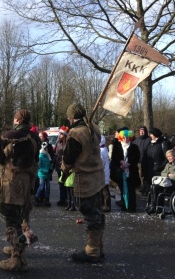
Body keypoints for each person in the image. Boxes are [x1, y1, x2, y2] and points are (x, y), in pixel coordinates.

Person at [0, 109, 39, 272]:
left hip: (11, 183)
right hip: (27, 182)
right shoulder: (34, 137)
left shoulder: (8, 136)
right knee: (21, 215)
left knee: (10, 217)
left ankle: (18, 258)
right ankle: (17, 247)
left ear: (17, 120)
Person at [61, 103, 105, 263]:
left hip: (85, 178)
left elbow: (69, 157)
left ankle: (92, 250)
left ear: (71, 117)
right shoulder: (93, 127)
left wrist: (63, 168)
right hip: (98, 175)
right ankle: (99, 247)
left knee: (90, 213)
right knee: (97, 212)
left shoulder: (76, 133)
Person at [146, 149, 175, 215]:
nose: (168, 158)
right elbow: (162, 173)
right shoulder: (168, 164)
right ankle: (153, 205)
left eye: (170, 156)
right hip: (167, 183)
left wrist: (168, 174)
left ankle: (156, 206)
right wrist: (168, 174)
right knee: (153, 186)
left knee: (156, 188)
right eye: (167, 157)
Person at [110, 130, 140, 212]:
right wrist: (120, 162)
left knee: (131, 189)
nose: (126, 139)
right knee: (122, 189)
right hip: (120, 170)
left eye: (127, 137)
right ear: (121, 138)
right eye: (124, 137)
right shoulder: (117, 146)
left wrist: (129, 163)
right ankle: (124, 205)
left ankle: (131, 206)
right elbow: (114, 158)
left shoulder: (134, 147)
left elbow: (136, 158)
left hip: (131, 171)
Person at [141, 128, 170, 196]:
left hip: (158, 171)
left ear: (155, 135)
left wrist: (160, 167)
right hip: (149, 170)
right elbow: (146, 156)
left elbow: (167, 158)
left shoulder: (163, 143)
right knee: (150, 190)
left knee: (157, 190)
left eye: (151, 134)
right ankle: (151, 204)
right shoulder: (150, 144)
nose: (149, 135)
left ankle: (158, 205)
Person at [133, 126, 151, 191]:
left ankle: (146, 187)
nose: (142, 132)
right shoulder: (136, 141)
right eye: (140, 131)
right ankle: (140, 186)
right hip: (138, 161)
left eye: (143, 131)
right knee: (139, 174)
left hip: (147, 160)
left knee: (145, 174)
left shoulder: (149, 140)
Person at [35, 142, 52, 207]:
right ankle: (37, 197)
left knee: (47, 187)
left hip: (47, 174)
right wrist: (47, 170)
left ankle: (47, 199)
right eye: (46, 148)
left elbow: (49, 164)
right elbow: (39, 167)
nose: (47, 149)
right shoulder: (40, 156)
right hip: (42, 174)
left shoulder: (47, 156)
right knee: (41, 187)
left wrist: (51, 168)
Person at [54, 126, 68, 206]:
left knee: (66, 182)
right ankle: (62, 198)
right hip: (59, 165)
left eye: (61, 133)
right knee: (61, 182)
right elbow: (56, 153)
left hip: (65, 165)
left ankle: (67, 198)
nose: (60, 135)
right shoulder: (58, 143)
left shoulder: (67, 143)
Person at [100, 135, 111, 212]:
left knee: (104, 190)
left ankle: (106, 205)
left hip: (102, 173)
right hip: (105, 172)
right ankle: (106, 205)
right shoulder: (104, 149)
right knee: (105, 189)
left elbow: (101, 162)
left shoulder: (101, 150)